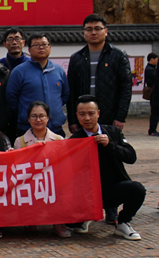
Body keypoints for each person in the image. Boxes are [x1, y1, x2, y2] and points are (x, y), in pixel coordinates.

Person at [69, 95, 145, 241]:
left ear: (98, 113)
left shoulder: (113, 132)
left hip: (111, 190)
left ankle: (123, 223)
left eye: (91, 113)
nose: (87, 118)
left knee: (137, 189)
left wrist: (110, 145)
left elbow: (131, 157)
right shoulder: (74, 141)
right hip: (87, 195)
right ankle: (87, 216)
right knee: (71, 224)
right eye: (82, 114)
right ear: (77, 115)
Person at [12, 101, 71, 239]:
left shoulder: (58, 139)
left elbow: (64, 165)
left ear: (48, 118)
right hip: (29, 181)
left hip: (52, 181)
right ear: (28, 119)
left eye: (41, 116)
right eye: (34, 116)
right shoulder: (20, 141)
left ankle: (58, 223)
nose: (38, 119)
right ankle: (30, 218)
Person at [67, 14, 132, 135]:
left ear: (105, 31)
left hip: (109, 115)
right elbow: (71, 91)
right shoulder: (76, 58)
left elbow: (125, 89)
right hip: (84, 116)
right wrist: (72, 120)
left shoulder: (118, 56)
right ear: (84, 32)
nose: (93, 32)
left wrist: (120, 116)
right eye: (89, 29)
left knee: (108, 145)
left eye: (97, 29)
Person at [6, 33, 69, 137]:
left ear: (49, 47)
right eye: (36, 45)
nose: (41, 48)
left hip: (55, 128)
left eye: (44, 44)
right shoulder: (19, 71)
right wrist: (24, 111)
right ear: (29, 50)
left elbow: (65, 95)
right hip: (27, 128)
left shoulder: (59, 70)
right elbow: (11, 97)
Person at [147, 52, 158, 136]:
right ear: (152, 59)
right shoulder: (150, 69)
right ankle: (152, 130)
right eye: (157, 59)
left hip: (155, 94)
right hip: (154, 94)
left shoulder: (153, 69)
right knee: (155, 112)